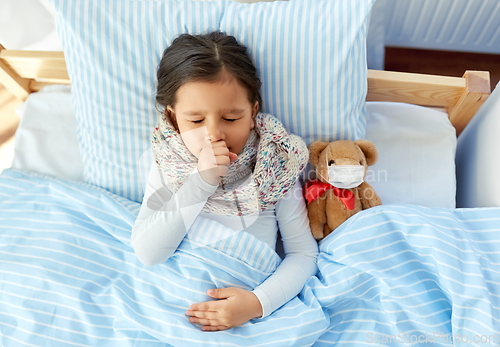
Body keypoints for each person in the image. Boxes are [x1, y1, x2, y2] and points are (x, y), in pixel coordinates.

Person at [131, 31, 318, 332]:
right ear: (173, 118)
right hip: (168, 310)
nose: (214, 134)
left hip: (247, 319)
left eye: (231, 119)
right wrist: (199, 183)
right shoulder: (167, 163)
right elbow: (148, 253)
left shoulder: (274, 166)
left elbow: (303, 254)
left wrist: (257, 303)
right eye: (195, 121)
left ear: (254, 112)